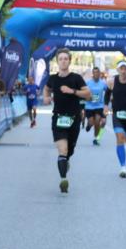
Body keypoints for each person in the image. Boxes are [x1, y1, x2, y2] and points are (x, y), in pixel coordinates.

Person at [42, 48, 90, 193]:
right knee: (62, 150)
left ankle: (65, 161)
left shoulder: (76, 78)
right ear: (57, 61)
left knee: (69, 151)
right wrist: (46, 97)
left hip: (74, 119)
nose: (63, 61)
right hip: (58, 119)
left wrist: (73, 91)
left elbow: (88, 94)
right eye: (61, 58)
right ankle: (63, 180)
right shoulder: (53, 78)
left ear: (69, 61)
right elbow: (46, 89)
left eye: (66, 58)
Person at [103, 59, 126, 178]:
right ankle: (123, 167)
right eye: (121, 68)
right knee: (120, 138)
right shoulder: (112, 81)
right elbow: (107, 94)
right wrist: (105, 106)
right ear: (118, 70)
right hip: (117, 114)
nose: (123, 71)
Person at [83, 67, 107, 145]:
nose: (96, 74)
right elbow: (84, 93)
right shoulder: (88, 83)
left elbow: (108, 92)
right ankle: (89, 125)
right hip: (89, 106)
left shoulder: (103, 83)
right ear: (92, 74)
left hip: (99, 106)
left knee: (99, 121)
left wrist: (108, 103)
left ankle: (97, 138)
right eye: (94, 72)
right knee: (91, 122)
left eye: (97, 72)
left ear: (100, 74)